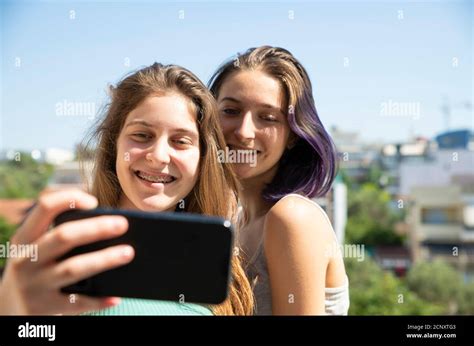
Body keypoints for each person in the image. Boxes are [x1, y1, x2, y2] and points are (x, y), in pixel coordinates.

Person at [0, 63, 254, 315]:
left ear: (203, 160)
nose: (159, 156)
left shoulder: (221, 267)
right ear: (114, 148)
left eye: (180, 141)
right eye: (142, 135)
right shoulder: (63, 252)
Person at [209, 46, 350, 315]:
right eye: (230, 111)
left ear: (294, 134)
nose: (244, 132)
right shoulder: (237, 220)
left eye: (268, 118)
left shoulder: (292, 217)